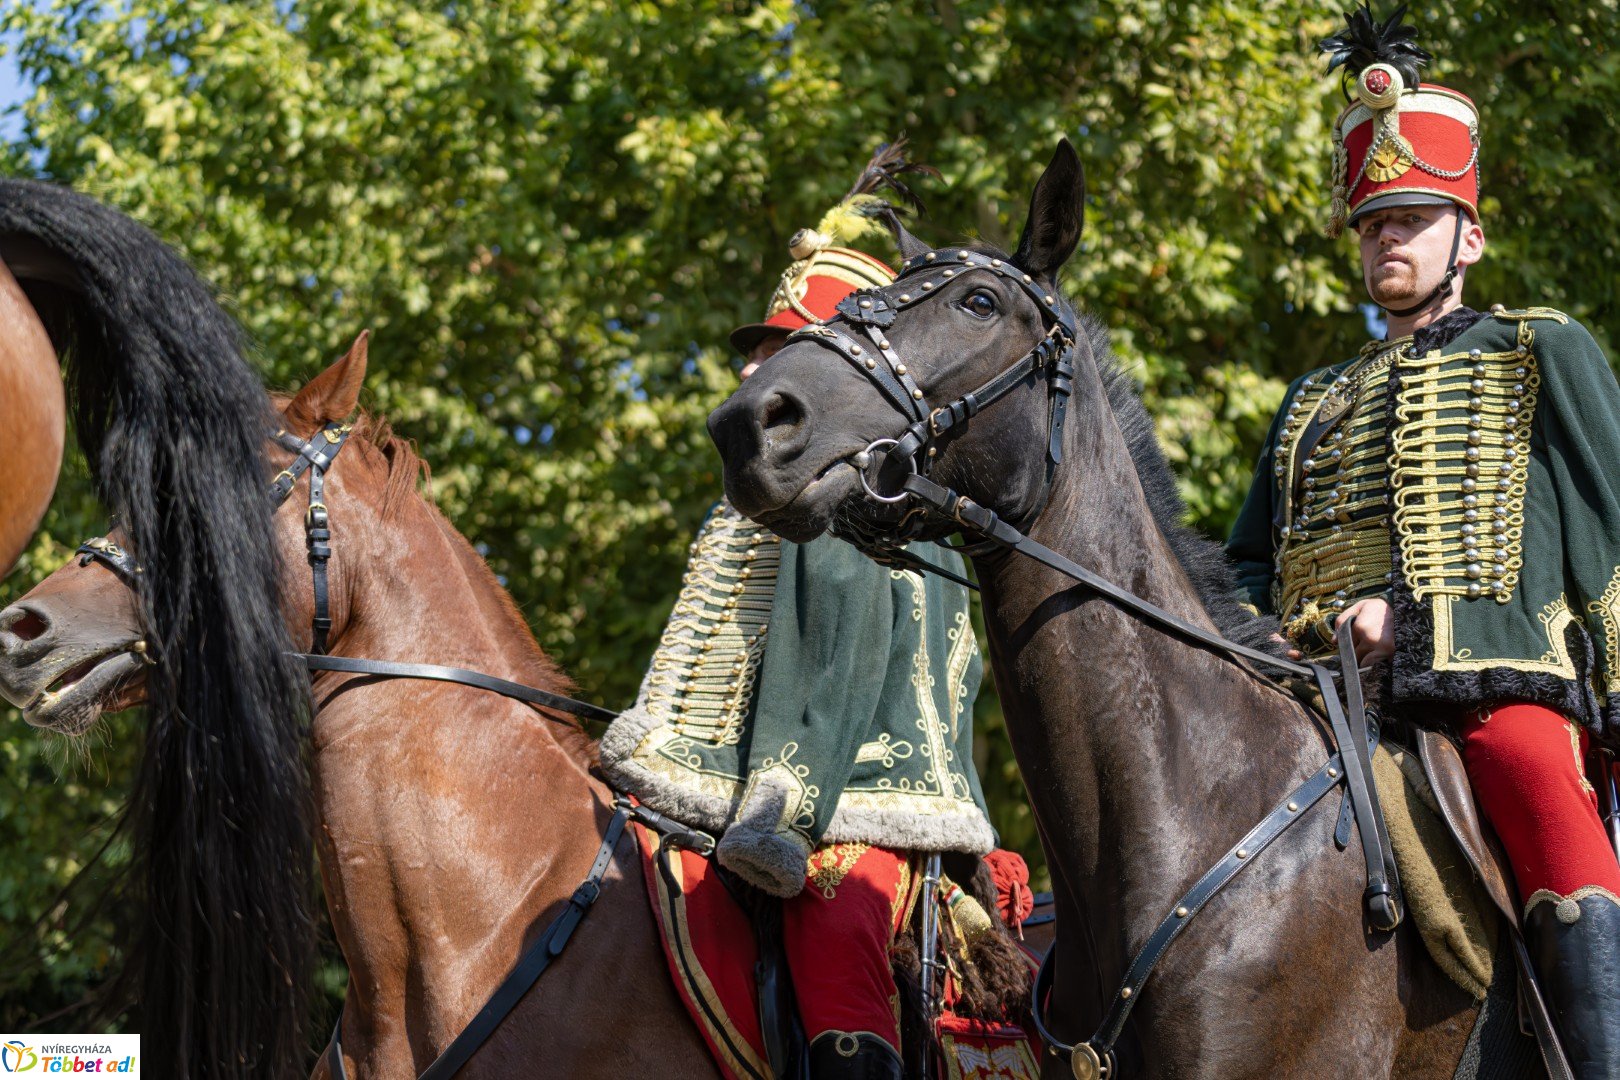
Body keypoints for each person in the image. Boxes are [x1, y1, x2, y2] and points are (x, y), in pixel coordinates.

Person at [1226, 7, 1620, 1074]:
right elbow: (1245, 570)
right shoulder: (1311, 399)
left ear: (1470, 235)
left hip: (1489, 685)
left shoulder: (1539, 350)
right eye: (1372, 223)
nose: (1388, 237)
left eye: (1413, 216)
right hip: (1315, 700)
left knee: (1539, 785)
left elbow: (1612, 521)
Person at [601, 149, 997, 1079]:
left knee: (835, 933)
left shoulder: (869, 499)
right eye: (758, 345)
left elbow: (840, 659)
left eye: (776, 348)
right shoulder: (775, 499)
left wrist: (781, 803)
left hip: (863, 809)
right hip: (733, 799)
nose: (750, 364)